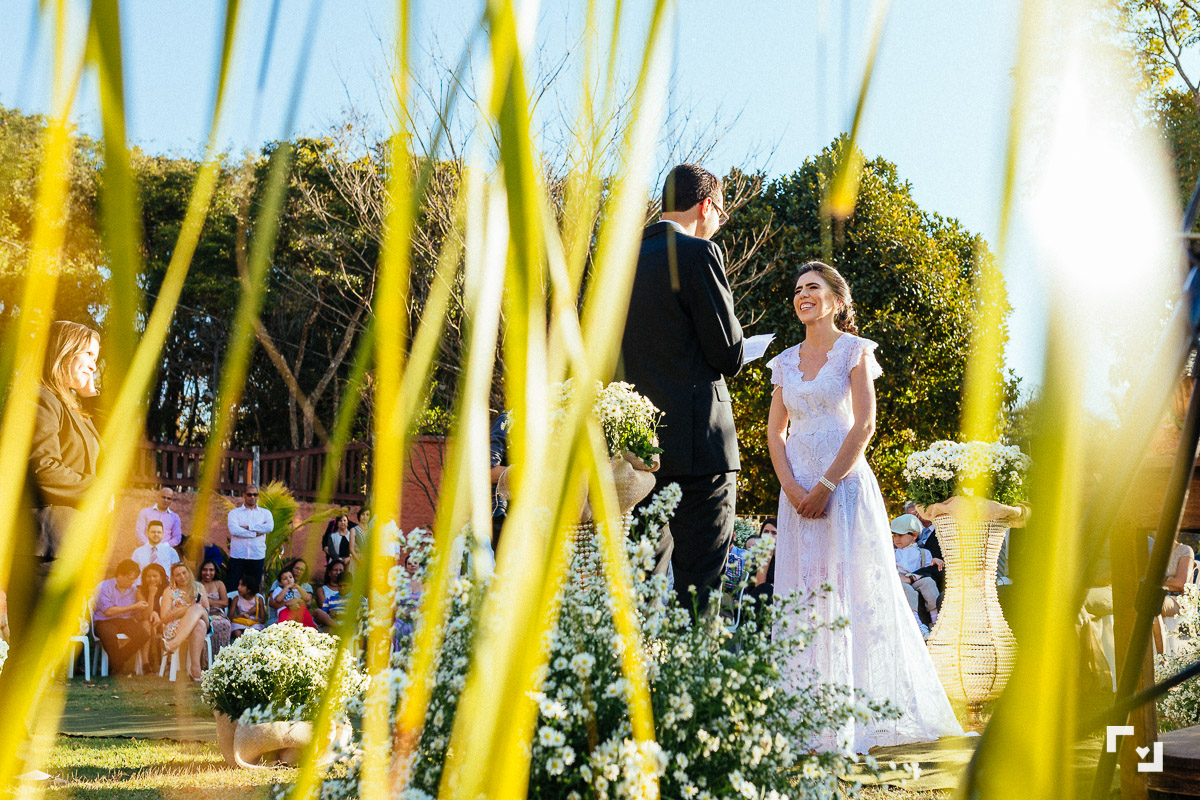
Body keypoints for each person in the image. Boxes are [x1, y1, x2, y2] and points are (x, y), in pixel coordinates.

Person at [765, 261, 961, 752]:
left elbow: (864, 424)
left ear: (836, 297)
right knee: (804, 595)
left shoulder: (855, 351)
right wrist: (792, 488)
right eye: (797, 289)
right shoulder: (784, 361)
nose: (802, 295)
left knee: (852, 591)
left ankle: (859, 715)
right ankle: (805, 717)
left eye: (812, 287)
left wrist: (827, 485)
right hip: (796, 493)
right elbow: (774, 432)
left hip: (844, 487)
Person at [620, 164, 744, 613]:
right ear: (707, 205)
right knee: (700, 589)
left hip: (635, 452)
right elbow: (728, 353)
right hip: (699, 451)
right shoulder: (698, 255)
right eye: (721, 216)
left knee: (641, 585)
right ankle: (692, 681)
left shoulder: (614, 260)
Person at [16, 321, 102, 647]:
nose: (95, 362)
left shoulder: (72, 409)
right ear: (64, 352)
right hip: (44, 548)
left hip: (68, 548)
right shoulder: (40, 399)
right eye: (88, 353)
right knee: (30, 655)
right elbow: (44, 468)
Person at [92, 560, 150, 675]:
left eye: (134, 578)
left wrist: (141, 599)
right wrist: (133, 606)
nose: (132, 581)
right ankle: (118, 667)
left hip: (125, 620)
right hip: (105, 620)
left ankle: (116, 662)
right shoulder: (104, 586)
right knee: (108, 634)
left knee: (143, 635)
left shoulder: (134, 590)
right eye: (130, 578)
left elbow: (141, 612)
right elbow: (108, 611)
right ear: (120, 575)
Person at [891, 514, 940, 636]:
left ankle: (936, 620)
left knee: (928, 582)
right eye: (894, 535)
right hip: (902, 580)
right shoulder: (894, 554)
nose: (896, 539)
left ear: (914, 535)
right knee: (906, 589)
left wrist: (937, 561)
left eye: (900, 535)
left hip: (918, 579)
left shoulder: (924, 553)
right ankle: (918, 624)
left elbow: (928, 567)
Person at [160, 562, 210, 680]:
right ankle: (196, 669)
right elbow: (164, 617)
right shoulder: (169, 591)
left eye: (184, 573)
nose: (182, 577)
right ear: (173, 577)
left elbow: (206, 610)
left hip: (203, 617)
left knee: (198, 609)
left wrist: (183, 610)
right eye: (178, 575)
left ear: (189, 573)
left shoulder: (199, 587)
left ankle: (173, 644)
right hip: (177, 626)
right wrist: (189, 608)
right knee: (199, 624)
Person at [226, 484, 272, 596]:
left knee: (253, 589)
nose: (252, 497)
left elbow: (269, 528)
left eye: (255, 495)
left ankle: (252, 612)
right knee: (232, 587)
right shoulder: (234, 513)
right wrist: (256, 533)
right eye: (249, 494)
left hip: (256, 556)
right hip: (238, 556)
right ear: (244, 495)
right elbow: (234, 530)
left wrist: (248, 527)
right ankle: (230, 611)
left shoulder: (265, 513)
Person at [137, 563, 168, 669]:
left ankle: (165, 662)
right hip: (147, 622)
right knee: (147, 623)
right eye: (148, 576)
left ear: (161, 578)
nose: (151, 579)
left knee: (156, 625)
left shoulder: (168, 590)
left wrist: (158, 616)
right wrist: (151, 595)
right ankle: (145, 663)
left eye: (155, 576)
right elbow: (146, 615)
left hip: (164, 621)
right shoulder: (140, 591)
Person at [198, 559, 231, 657]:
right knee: (205, 625)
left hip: (217, 613)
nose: (208, 573)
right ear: (200, 571)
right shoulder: (197, 584)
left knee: (224, 624)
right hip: (201, 613)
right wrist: (214, 603)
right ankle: (205, 659)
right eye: (205, 570)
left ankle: (220, 656)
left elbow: (225, 602)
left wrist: (207, 601)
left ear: (215, 571)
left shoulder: (219, 584)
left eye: (211, 570)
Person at [229, 575, 267, 641]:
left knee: (255, 633)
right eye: (239, 585)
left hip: (254, 623)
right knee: (237, 633)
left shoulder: (258, 599)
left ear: (249, 589)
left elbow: (263, 620)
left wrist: (251, 619)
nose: (238, 587)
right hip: (240, 622)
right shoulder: (237, 598)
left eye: (242, 586)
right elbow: (230, 617)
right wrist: (246, 614)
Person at [313, 559, 348, 629]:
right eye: (335, 570)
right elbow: (325, 608)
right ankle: (339, 628)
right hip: (329, 618)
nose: (338, 572)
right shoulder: (322, 590)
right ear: (329, 572)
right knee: (317, 612)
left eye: (340, 570)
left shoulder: (349, 589)